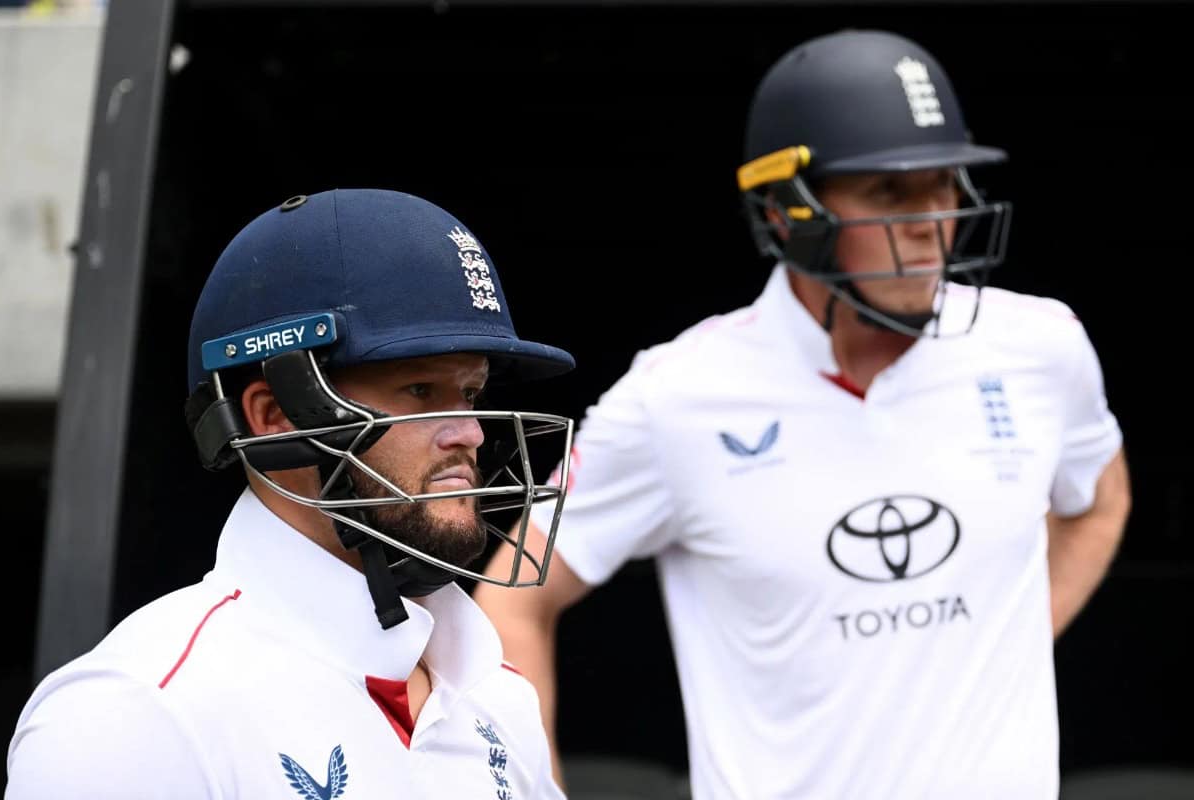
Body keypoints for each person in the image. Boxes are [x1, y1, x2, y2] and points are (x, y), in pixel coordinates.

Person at [475, 28, 1131, 799]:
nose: (932, 223)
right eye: (889, 192)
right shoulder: (676, 395)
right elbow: (514, 599)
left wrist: (1004, 646)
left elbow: (1100, 501)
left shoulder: (1041, 344)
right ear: (789, 211)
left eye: (945, 183)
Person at [7, 189, 578, 798]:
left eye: (469, 393)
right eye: (418, 389)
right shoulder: (135, 714)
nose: (470, 432)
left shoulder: (500, 695)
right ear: (275, 414)